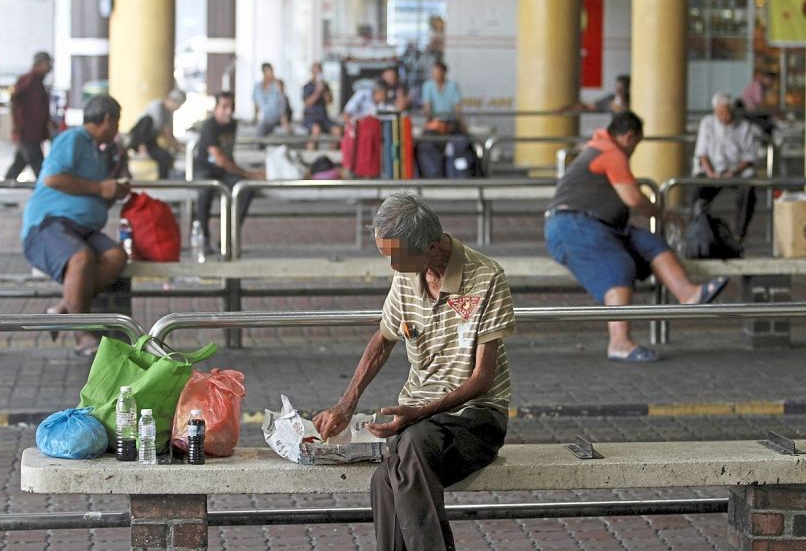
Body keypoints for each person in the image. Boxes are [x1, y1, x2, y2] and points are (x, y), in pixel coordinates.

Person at [313, 192, 515, 550]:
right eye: (385, 255)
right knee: (387, 479)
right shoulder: (408, 275)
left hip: (476, 419)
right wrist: (346, 403)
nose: (392, 266)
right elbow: (384, 338)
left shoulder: (486, 277)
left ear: (432, 246)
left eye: (397, 256)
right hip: (418, 425)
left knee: (408, 450)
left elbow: (482, 380)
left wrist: (420, 412)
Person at [544, 111, 728, 363]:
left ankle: (688, 294)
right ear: (629, 137)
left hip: (604, 225)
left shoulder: (600, 147)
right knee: (618, 265)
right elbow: (634, 198)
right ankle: (619, 343)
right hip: (572, 226)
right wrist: (665, 214)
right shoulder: (611, 152)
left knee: (649, 242)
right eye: (636, 145)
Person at [21, 95, 131, 356]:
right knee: (81, 258)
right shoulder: (73, 139)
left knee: (116, 256)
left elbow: (98, 191)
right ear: (107, 120)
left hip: (84, 228)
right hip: (50, 223)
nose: (116, 131)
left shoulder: (97, 151)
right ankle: (81, 333)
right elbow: (52, 179)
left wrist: (113, 190)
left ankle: (63, 308)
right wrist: (100, 187)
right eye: (116, 123)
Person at [194, 91, 264, 253]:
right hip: (205, 170)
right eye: (224, 106)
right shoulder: (209, 127)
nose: (228, 111)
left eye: (231, 107)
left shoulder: (233, 124)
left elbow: (227, 154)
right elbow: (219, 157)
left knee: (246, 190)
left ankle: (228, 237)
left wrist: (242, 174)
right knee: (205, 192)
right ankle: (203, 238)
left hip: (223, 172)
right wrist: (246, 173)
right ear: (216, 107)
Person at [693, 92, 759, 243]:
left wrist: (733, 171)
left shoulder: (744, 127)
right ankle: (699, 229)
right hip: (711, 171)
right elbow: (701, 153)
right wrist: (711, 173)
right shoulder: (707, 123)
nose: (725, 116)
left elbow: (749, 157)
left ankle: (739, 234)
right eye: (721, 112)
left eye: (727, 111)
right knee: (698, 193)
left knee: (748, 192)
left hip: (737, 172)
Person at [4, 51, 53, 183]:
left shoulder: (38, 82)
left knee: (18, 165)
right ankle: (47, 194)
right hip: (28, 133)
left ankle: (3, 190)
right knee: (40, 167)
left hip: (33, 133)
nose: (50, 67)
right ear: (40, 64)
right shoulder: (29, 80)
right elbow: (15, 99)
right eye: (47, 64)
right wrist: (17, 124)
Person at [127, 89, 186, 179]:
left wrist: (176, 145)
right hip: (139, 141)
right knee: (163, 156)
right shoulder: (155, 107)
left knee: (166, 155)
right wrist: (143, 150)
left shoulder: (168, 112)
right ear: (171, 100)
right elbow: (144, 131)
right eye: (178, 105)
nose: (178, 108)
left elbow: (168, 131)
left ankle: (163, 180)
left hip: (151, 142)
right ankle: (162, 181)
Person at [302, 62, 342, 147]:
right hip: (311, 118)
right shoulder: (307, 87)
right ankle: (310, 151)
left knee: (337, 131)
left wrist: (323, 90)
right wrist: (317, 91)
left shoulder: (325, 86)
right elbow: (308, 103)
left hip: (323, 117)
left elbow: (329, 101)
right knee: (316, 130)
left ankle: (330, 153)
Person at [421, 61, 463, 131]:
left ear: (444, 72)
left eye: (438, 72)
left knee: (461, 139)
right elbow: (427, 106)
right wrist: (431, 121)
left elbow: (457, 107)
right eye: (434, 72)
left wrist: (460, 121)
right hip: (434, 121)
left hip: (450, 122)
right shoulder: (427, 86)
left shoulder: (453, 86)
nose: (435, 74)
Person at [253, 63, 289, 137]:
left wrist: (284, 120)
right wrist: (255, 118)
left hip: (275, 117)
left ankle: (258, 146)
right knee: (261, 125)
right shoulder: (257, 87)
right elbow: (256, 104)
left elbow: (283, 103)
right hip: (263, 117)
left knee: (262, 126)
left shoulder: (277, 85)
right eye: (268, 71)